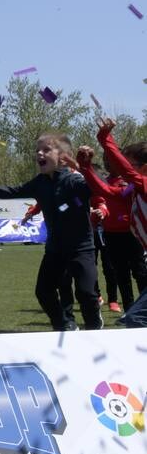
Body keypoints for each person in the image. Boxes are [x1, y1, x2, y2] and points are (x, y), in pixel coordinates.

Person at [0, 133, 104, 331]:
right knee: (44, 292)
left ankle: (94, 328)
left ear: (64, 156)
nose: (39, 153)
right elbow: (13, 191)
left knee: (86, 293)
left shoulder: (74, 181)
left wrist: (83, 166)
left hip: (81, 249)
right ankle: (64, 325)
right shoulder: (40, 182)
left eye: (46, 150)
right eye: (37, 150)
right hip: (55, 250)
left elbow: (98, 189)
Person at [82, 118, 147, 327]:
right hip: (116, 236)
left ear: (144, 168)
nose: (123, 169)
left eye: (131, 164)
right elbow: (106, 191)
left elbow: (125, 170)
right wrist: (85, 167)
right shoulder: (134, 188)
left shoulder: (144, 183)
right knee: (133, 318)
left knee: (135, 319)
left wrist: (104, 138)